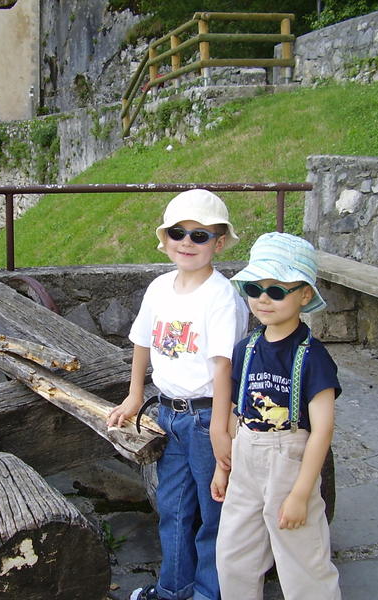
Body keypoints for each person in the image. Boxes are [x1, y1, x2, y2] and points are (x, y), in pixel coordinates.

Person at [107, 188, 249, 600]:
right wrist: (135, 394)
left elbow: (224, 367)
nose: (187, 242)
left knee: (214, 511)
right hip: (169, 413)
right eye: (178, 232)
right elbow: (142, 341)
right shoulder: (159, 288)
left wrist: (221, 428)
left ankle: (209, 592)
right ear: (165, 238)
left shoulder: (221, 297)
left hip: (206, 417)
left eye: (200, 235)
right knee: (173, 508)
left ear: (218, 243)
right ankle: (173, 589)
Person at [213, 232, 341, 600]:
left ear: (304, 295)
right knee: (234, 555)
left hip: (288, 460)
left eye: (276, 290)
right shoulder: (246, 348)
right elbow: (238, 408)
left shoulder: (312, 357)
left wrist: (301, 493)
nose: (263, 299)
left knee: (303, 559)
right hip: (246, 455)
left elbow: (322, 430)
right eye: (254, 289)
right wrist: (224, 467)